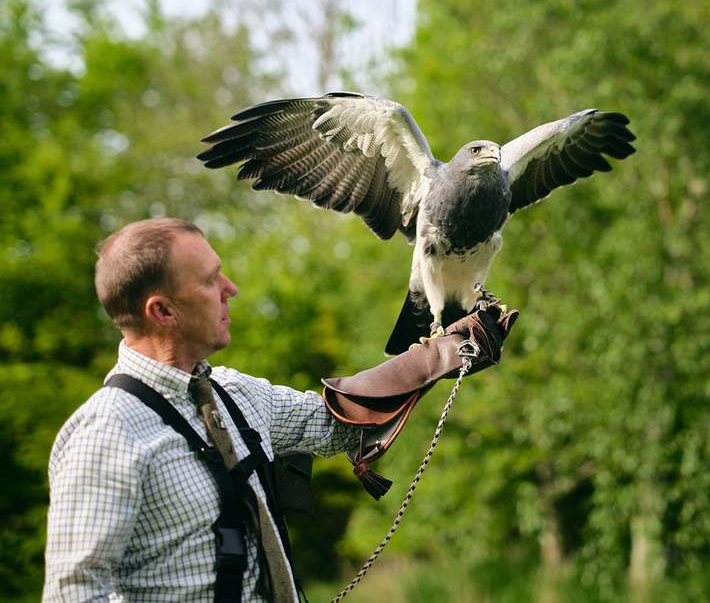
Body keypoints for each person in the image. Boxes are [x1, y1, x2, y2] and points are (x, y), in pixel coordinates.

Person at [43, 217, 515, 602]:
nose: (231, 289)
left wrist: (438, 355)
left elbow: (340, 424)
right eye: (210, 281)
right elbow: (73, 594)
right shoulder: (106, 434)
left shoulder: (236, 393)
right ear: (162, 311)